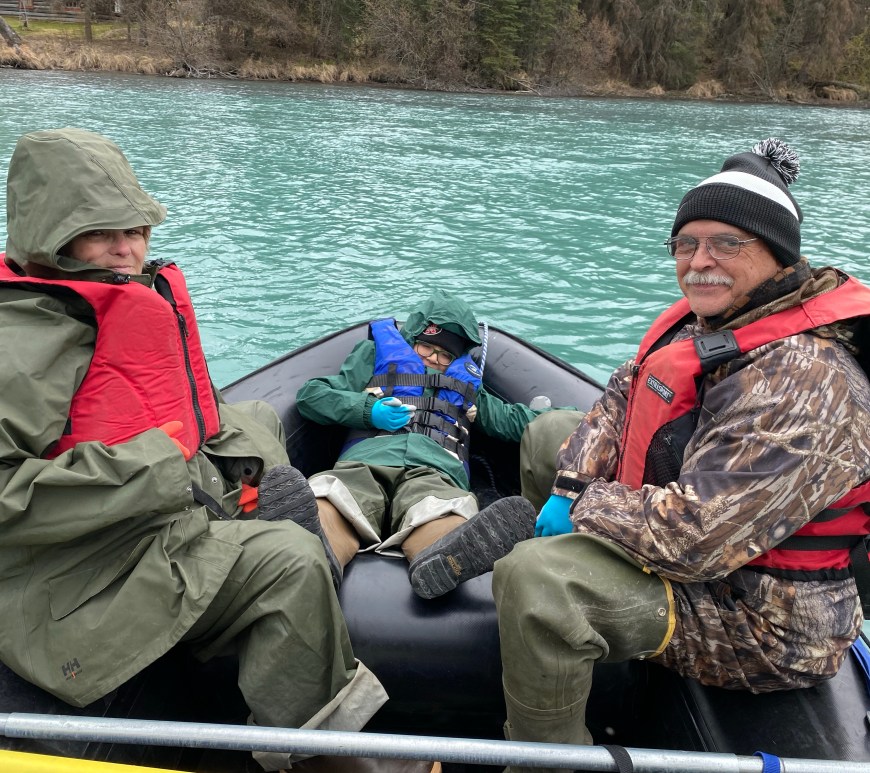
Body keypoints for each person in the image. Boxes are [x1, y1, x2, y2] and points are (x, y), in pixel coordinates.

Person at [0, 128, 435, 773]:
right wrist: (163, 468)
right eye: (102, 232)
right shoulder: (21, 343)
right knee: (291, 563)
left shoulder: (111, 302)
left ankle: (279, 503)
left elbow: (182, 417)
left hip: (140, 528)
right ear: (52, 236)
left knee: (253, 418)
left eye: (137, 228)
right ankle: (325, 760)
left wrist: (241, 463)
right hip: (76, 582)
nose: (128, 247)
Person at [493, 138, 870, 772]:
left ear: (777, 253)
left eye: (727, 243)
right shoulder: (715, 316)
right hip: (700, 557)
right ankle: (560, 627)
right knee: (546, 436)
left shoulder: (810, 380)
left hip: (761, 618)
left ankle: (544, 761)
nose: (700, 261)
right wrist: (566, 487)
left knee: (540, 580)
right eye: (686, 243)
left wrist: (584, 506)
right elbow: (623, 391)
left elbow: (696, 540)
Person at [293, 291, 544, 599]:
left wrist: (572, 418)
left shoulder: (466, 386)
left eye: (445, 355)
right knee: (334, 497)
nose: (434, 358)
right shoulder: (373, 356)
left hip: (435, 470)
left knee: (443, 511)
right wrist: (369, 410)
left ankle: (443, 560)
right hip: (367, 460)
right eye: (427, 346)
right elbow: (311, 397)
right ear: (412, 338)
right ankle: (317, 551)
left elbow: (514, 421)